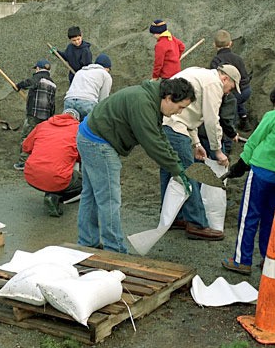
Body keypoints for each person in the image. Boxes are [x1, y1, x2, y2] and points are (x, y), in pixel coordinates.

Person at [77, 78, 195, 253]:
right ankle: (114, 250)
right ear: (169, 97)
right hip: (98, 143)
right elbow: (152, 142)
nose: (179, 112)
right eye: (180, 107)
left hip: (88, 134)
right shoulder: (143, 104)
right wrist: (176, 170)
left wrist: (176, 164)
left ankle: (87, 242)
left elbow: (159, 136)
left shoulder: (151, 99)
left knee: (92, 194)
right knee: (109, 198)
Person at [161, 65, 241, 241]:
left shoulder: (201, 75)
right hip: (175, 126)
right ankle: (197, 223)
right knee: (189, 172)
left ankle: (173, 216)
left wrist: (196, 142)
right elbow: (212, 120)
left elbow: (191, 115)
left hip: (167, 122)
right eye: (231, 87)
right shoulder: (214, 84)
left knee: (169, 170)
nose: (229, 92)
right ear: (225, 79)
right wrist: (217, 150)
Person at [221, 80, 275, 275]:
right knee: (269, 218)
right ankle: (268, 259)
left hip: (260, 172)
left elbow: (254, 140)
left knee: (248, 216)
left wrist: (241, 164)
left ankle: (241, 260)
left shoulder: (274, 116)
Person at [22, 108, 82, 217]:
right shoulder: (78, 129)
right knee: (86, 181)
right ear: (76, 119)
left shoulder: (43, 125)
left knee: (55, 171)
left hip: (31, 175)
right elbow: (82, 156)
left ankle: (52, 193)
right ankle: (55, 195)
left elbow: (26, 147)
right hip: (56, 177)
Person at [13, 59, 57, 171]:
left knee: (27, 137)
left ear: (37, 68)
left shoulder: (38, 77)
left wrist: (18, 86)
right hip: (45, 116)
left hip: (34, 114)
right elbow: (52, 103)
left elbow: (29, 82)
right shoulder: (52, 84)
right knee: (40, 139)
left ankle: (23, 162)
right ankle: (39, 162)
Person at [210, 30, 253, 131]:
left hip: (232, 92)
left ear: (214, 45)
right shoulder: (238, 58)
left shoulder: (216, 61)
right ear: (230, 43)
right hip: (246, 90)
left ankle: (230, 133)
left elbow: (215, 80)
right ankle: (244, 120)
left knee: (229, 109)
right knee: (238, 101)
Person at [63, 53, 113, 121]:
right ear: (107, 67)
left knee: (68, 127)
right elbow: (103, 99)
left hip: (69, 100)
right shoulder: (105, 74)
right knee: (87, 129)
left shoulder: (80, 72)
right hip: (87, 102)